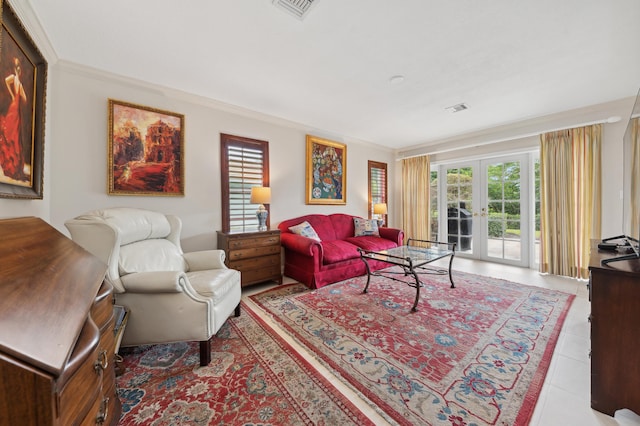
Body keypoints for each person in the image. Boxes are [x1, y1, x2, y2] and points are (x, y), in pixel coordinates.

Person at [0, 57, 27, 180]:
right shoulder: (18, 81)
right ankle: (12, 165)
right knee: (12, 133)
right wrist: (14, 95)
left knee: (13, 134)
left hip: (14, 107)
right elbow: (25, 100)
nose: (18, 69)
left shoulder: (16, 80)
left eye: (18, 67)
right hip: (15, 108)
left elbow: (6, 81)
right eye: (17, 67)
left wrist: (13, 95)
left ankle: (12, 165)